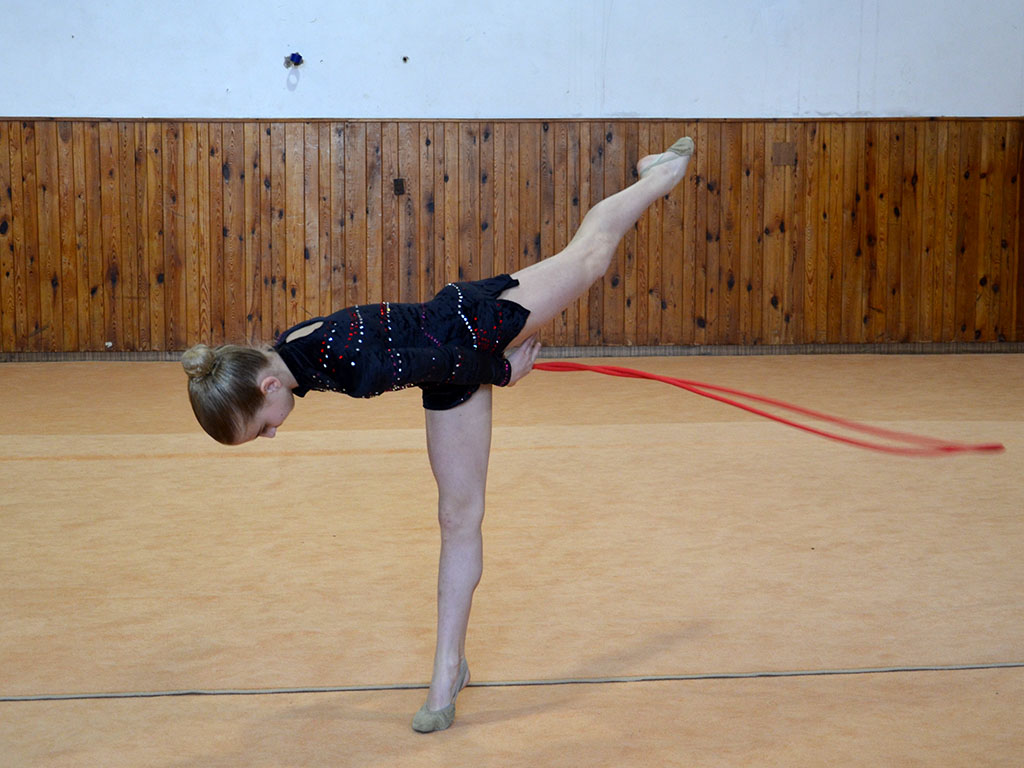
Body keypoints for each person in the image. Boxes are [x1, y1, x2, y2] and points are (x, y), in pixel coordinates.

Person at [181, 137, 695, 732]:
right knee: (458, 517)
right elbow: (434, 366)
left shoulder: (351, 366)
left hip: (474, 332)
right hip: (449, 351)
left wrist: (503, 370)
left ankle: (661, 174)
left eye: (260, 428)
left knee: (590, 256)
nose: (271, 436)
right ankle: (448, 669)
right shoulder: (289, 350)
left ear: (267, 388)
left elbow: (447, 364)